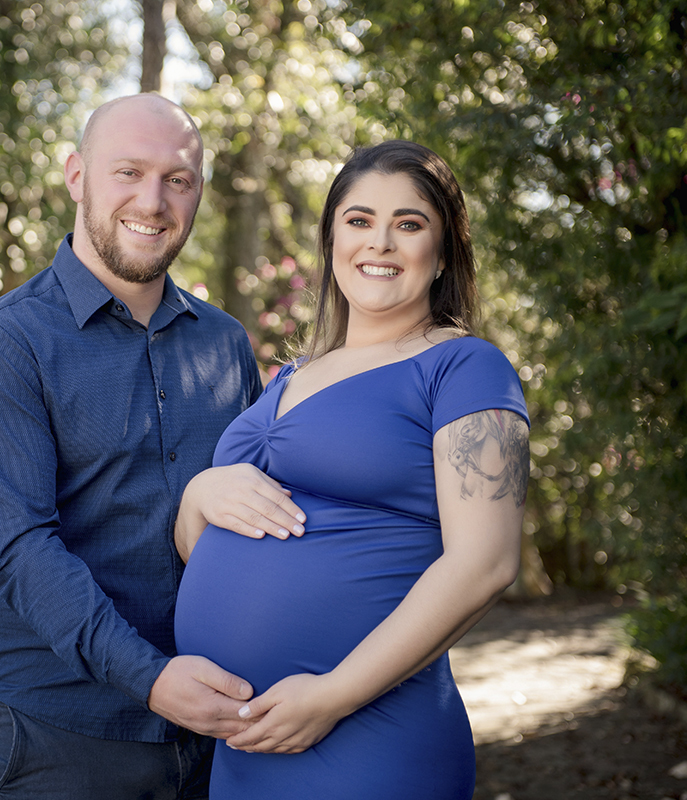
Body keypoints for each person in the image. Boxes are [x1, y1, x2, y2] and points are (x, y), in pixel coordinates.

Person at [0, 93, 305, 799]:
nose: (154, 200)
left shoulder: (224, 344)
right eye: (127, 172)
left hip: (218, 722)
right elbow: (19, 549)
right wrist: (154, 680)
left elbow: (256, 517)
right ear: (76, 176)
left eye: (179, 179)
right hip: (60, 732)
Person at [173, 140, 530, 799]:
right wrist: (198, 495)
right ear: (332, 238)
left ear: (444, 251)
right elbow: (214, 547)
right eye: (360, 220)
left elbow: (486, 562)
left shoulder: (464, 368)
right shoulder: (289, 376)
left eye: (410, 224)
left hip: (369, 733)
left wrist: (334, 695)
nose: (381, 243)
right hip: (246, 740)